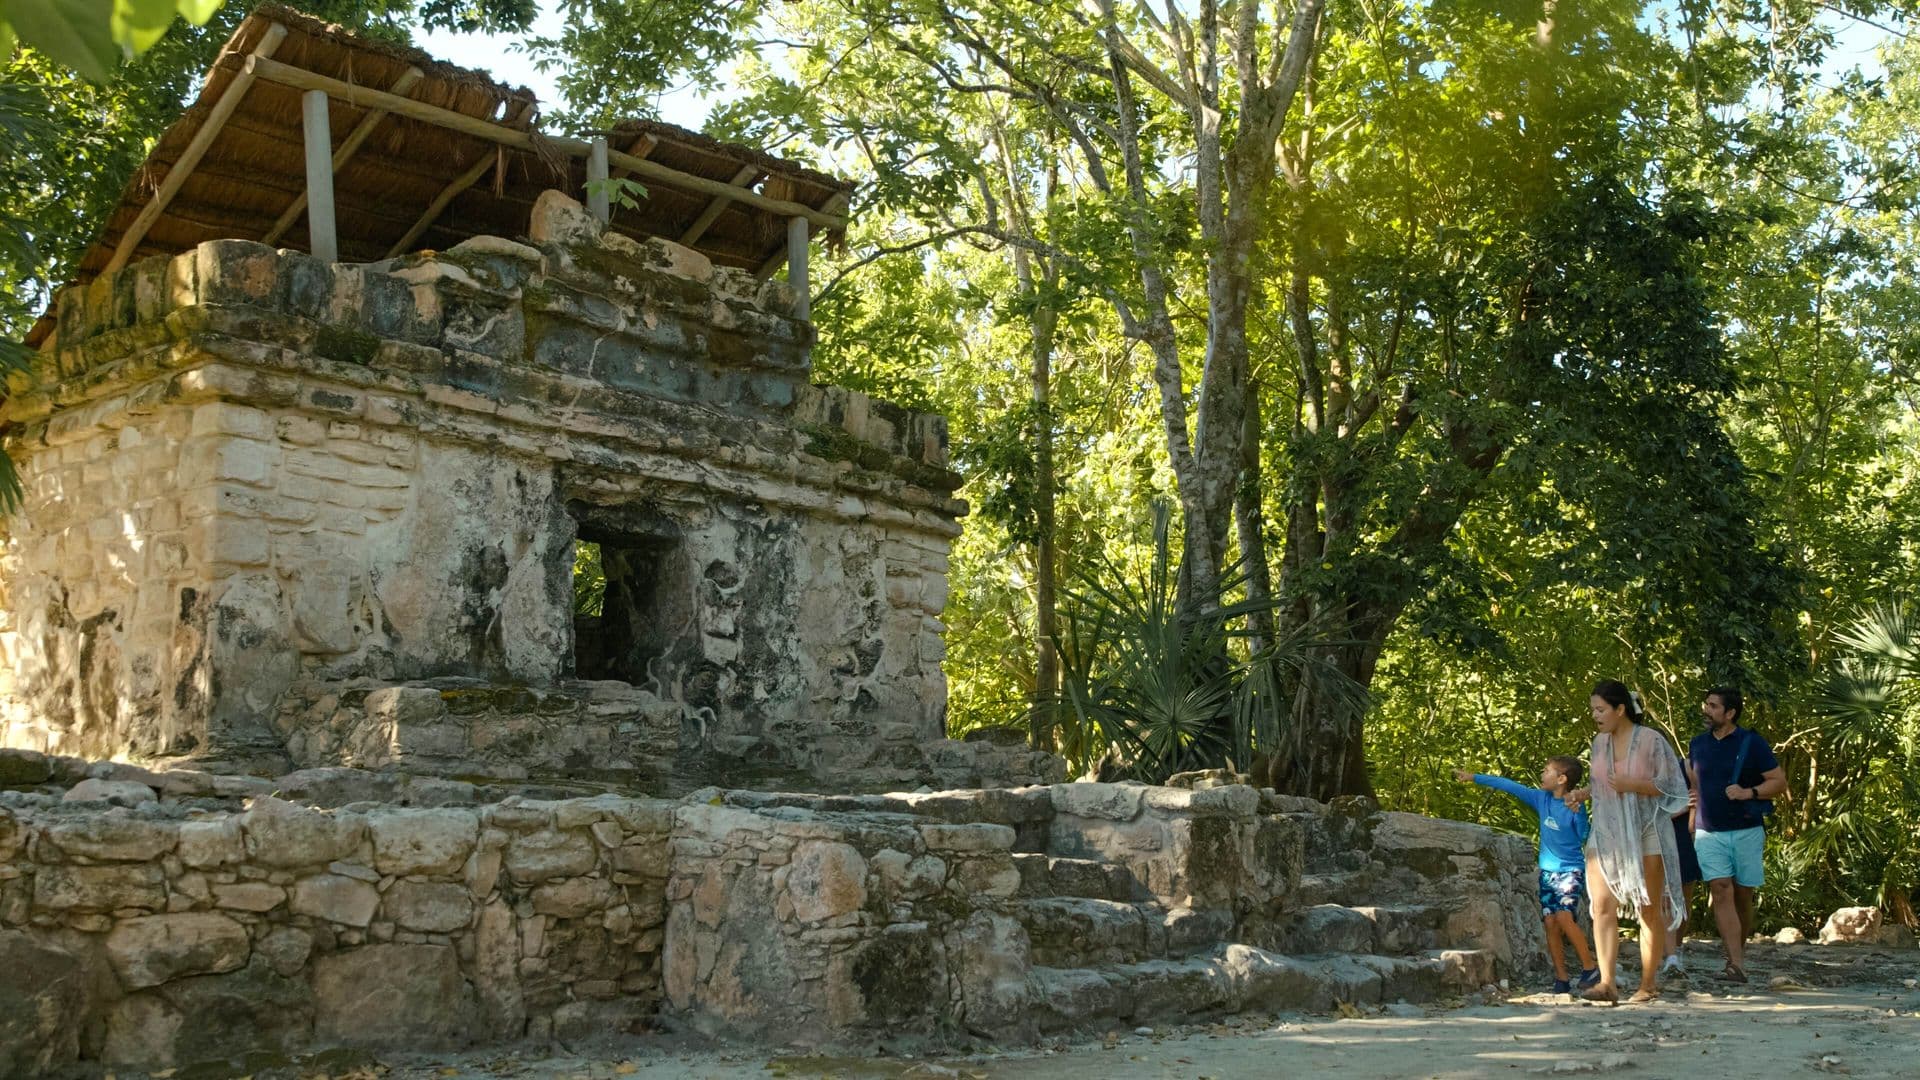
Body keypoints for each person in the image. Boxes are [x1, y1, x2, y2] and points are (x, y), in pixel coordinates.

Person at [1562, 680, 1689, 1005]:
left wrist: (1635, 784)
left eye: (1600, 709)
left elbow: (1673, 787)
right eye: (1593, 709)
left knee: (1648, 907)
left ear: (1620, 709)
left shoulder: (1651, 740)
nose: (1595, 715)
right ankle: (1607, 983)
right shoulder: (1599, 743)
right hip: (1606, 829)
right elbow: (1601, 784)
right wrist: (1581, 795)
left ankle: (1647, 985)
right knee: (1601, 905)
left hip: (1646, 829)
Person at [1453, 757, 1600, 995]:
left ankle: (1589, 967)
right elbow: (1509, 785)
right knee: (1550, 923)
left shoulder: (1575, 804)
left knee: (1563, 917)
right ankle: (1561, 979)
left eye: (1547, 771)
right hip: (1547, 872)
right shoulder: (1540, 798)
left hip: (1570, 870)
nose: (1542, 774)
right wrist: (1474, 778)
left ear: (1562, 779)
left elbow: (1583, 835)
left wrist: (1579, 812)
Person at [1687, 686, 1787, 983]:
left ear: (1730, 713)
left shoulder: (1751, 742)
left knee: (1743, 895)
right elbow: (1695, 786)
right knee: (1720, 889)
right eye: (1706, 704)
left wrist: (1748, 792)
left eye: (1714, 706)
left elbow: (1778, 782)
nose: (1707, 710)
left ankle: (1737, 955)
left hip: (1746, 829)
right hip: (1709, 831)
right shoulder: (1697, 744)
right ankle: (1735, 964)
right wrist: (1693, 820)